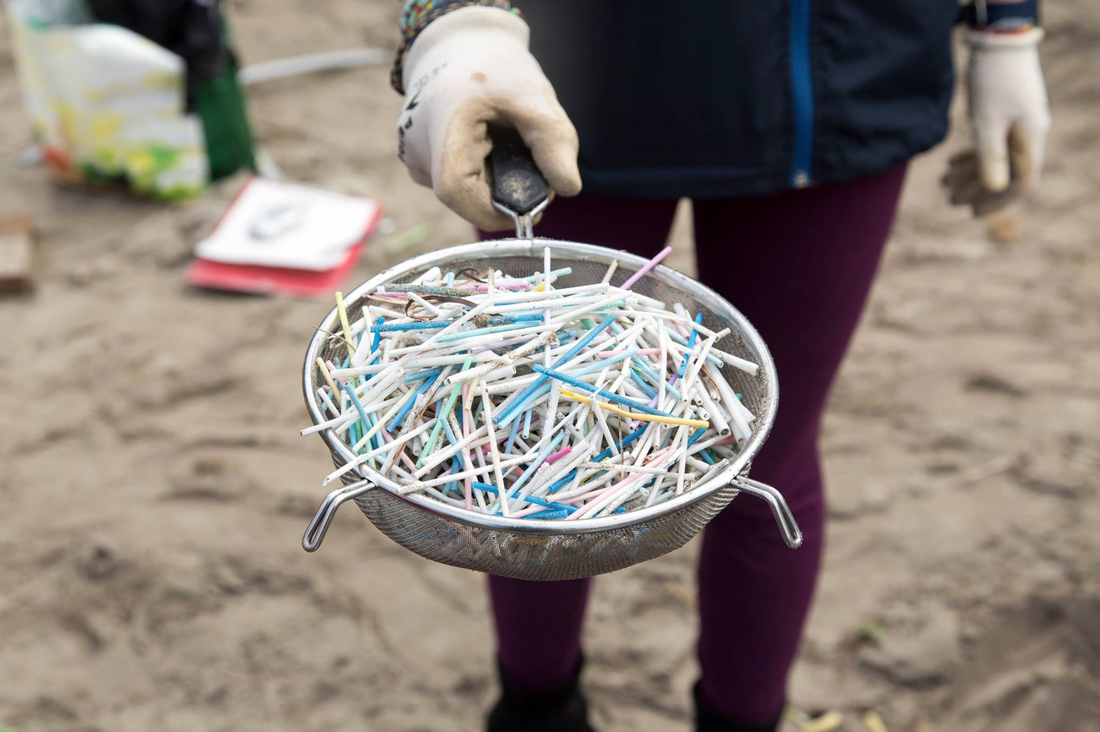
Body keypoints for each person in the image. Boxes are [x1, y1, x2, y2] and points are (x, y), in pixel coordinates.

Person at [390, 2, 1051, 730]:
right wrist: (458, 28)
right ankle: (536, 709)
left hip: (836, 77)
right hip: (562, 81)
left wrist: (1006, 24)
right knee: (530, 448)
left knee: (763, 453)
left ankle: (743, 716)